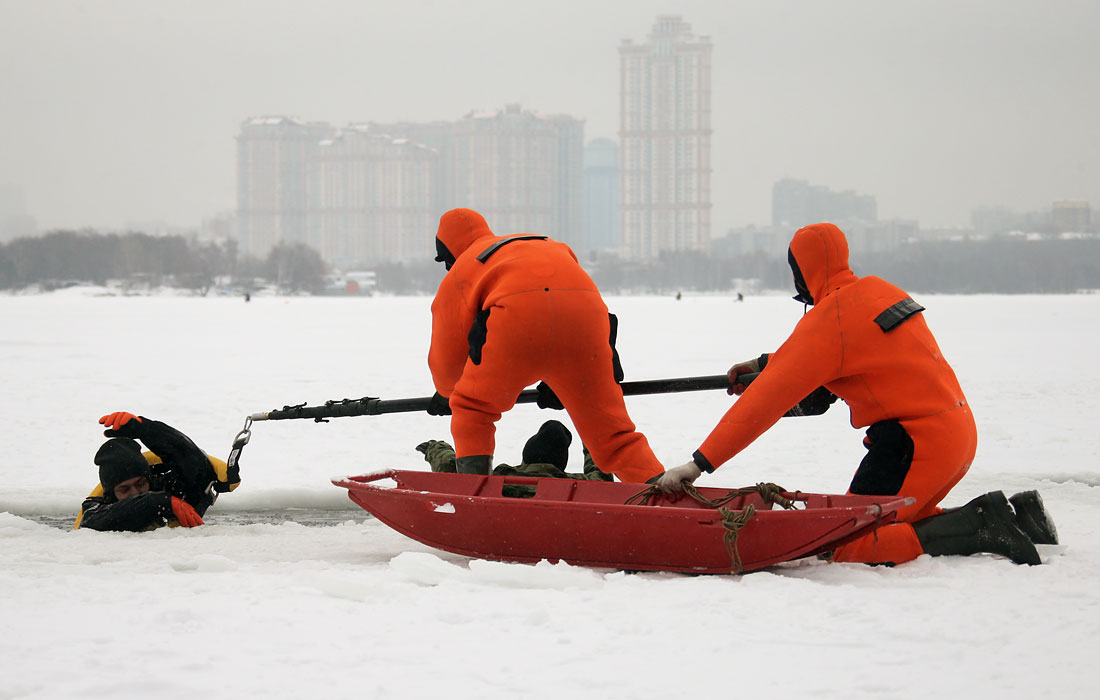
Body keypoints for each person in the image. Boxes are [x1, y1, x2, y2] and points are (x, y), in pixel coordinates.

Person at [657, 222, 1057, 566]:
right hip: (955, 435)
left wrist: (697, 465)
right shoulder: (878, 291)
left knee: (844, 542)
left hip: (912, 445)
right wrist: (764, 365)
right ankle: (1022, 518)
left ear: (800, 271)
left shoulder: (829, 320)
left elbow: (763, 405)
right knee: (899, 520)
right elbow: (831, 356)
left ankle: (982, 524)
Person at [427, 207, 663, 483]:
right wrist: (562, 381)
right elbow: (565, 300)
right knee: (613, 436)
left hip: (516, 326)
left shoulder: (464, 267)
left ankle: (475, 492)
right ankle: (661, 497)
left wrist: (448, 394)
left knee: (473, 409)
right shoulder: (549, 244)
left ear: (449, 252)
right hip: (585, 325)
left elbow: (447, 353)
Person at [75, 411, 240, 532]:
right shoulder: (93, 510)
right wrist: (158, 502)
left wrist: (146, 430)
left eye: (141, 484)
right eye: (124, 489)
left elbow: (193, 465)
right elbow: (95, 521)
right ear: (110, 493)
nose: (135, 492)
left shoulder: (164, 488)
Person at [417, 419, 612, 482]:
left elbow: (451, 470)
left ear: (526, 457)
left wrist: (436, 447)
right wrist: (592, 434)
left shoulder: (501, 477)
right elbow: (601, 469)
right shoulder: (577, 484)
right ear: (561, 462)